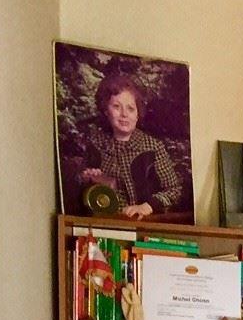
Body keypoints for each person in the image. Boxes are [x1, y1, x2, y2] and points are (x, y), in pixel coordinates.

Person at [76, 72, 184, 219]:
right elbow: (80, 187)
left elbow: (174, 190)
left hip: (144, 225)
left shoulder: (153, 148)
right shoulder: (95, 144)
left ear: (138, 114)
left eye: (130, 108)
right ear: (106, 110)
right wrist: (89, 179)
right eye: (116, 106)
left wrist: (148, 206)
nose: (124, 114)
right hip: (104, 223)